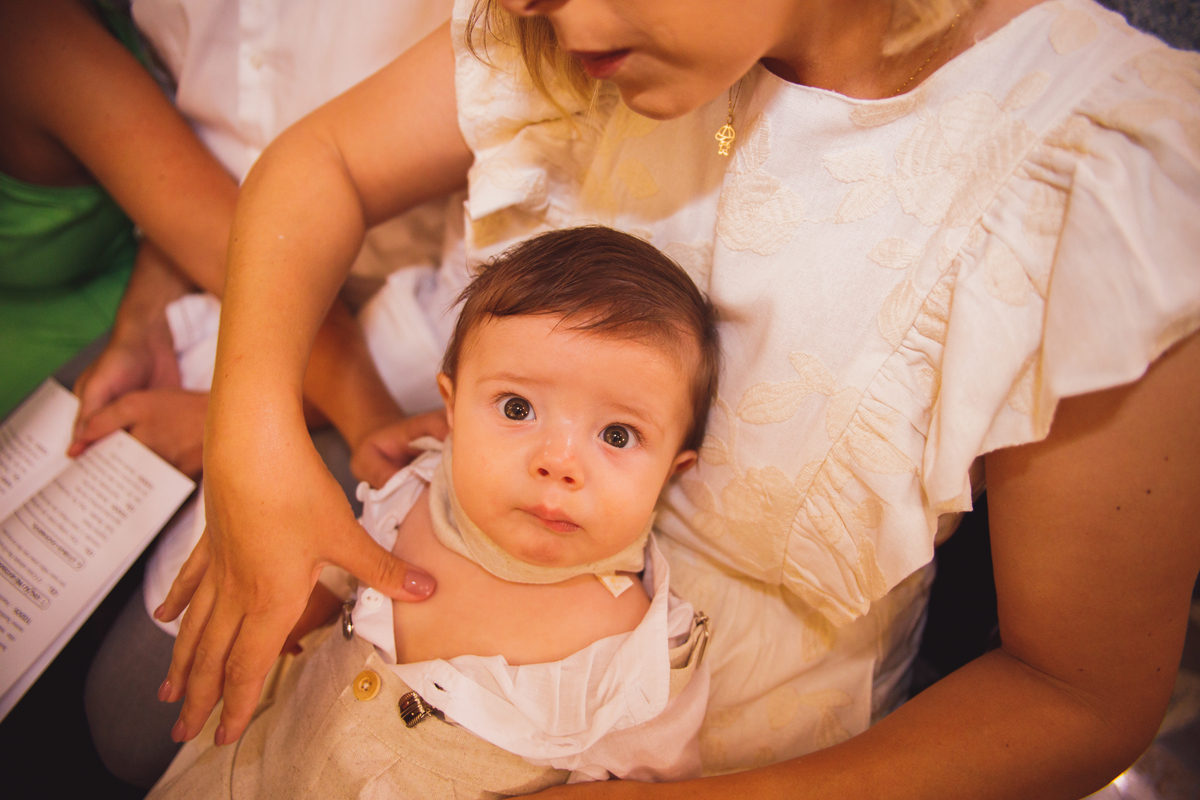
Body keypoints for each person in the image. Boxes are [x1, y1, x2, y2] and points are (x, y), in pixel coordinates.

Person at [158, 0, 1200, 797]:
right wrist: (252, 435)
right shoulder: (557, 32)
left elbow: (1078, 694)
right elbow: (320, 159)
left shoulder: (1101, 163)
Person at [147, 227, 714, 798]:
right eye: (517, 408)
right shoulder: (412, 491)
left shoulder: (641, 662)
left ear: (672, 469)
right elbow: (331, 586)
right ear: (451, 408)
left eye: (618, 434)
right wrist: (307, 600)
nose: (558, 462)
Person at [54, 0, 457, 787]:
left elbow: (458, 282)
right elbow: (193, 144)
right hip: (203, 273)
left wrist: (252, 410)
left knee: (133, 718)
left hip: (384, 328)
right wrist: (151, 313)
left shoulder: (506, 52)